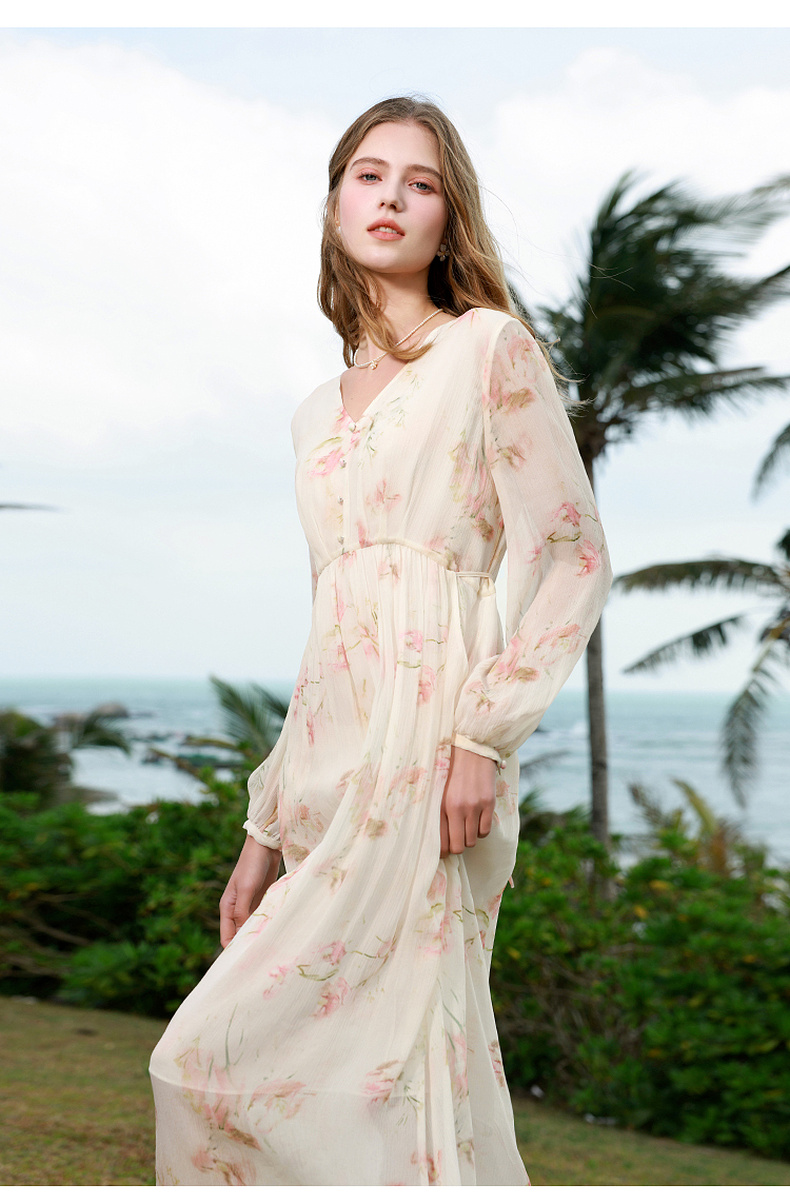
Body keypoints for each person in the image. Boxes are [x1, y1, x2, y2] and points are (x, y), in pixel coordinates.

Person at [149, 94, 613, 1187]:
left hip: (433, 747)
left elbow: (571, 555)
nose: (392, 197)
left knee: (364, 1063)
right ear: (333, 203)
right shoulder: (315, 413)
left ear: (449, 218)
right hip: (330, 761)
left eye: (421, 182)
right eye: (369, 174)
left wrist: (483, 737)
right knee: (264, 1071)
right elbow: (329, 625)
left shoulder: (488, 348)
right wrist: (264, 825)